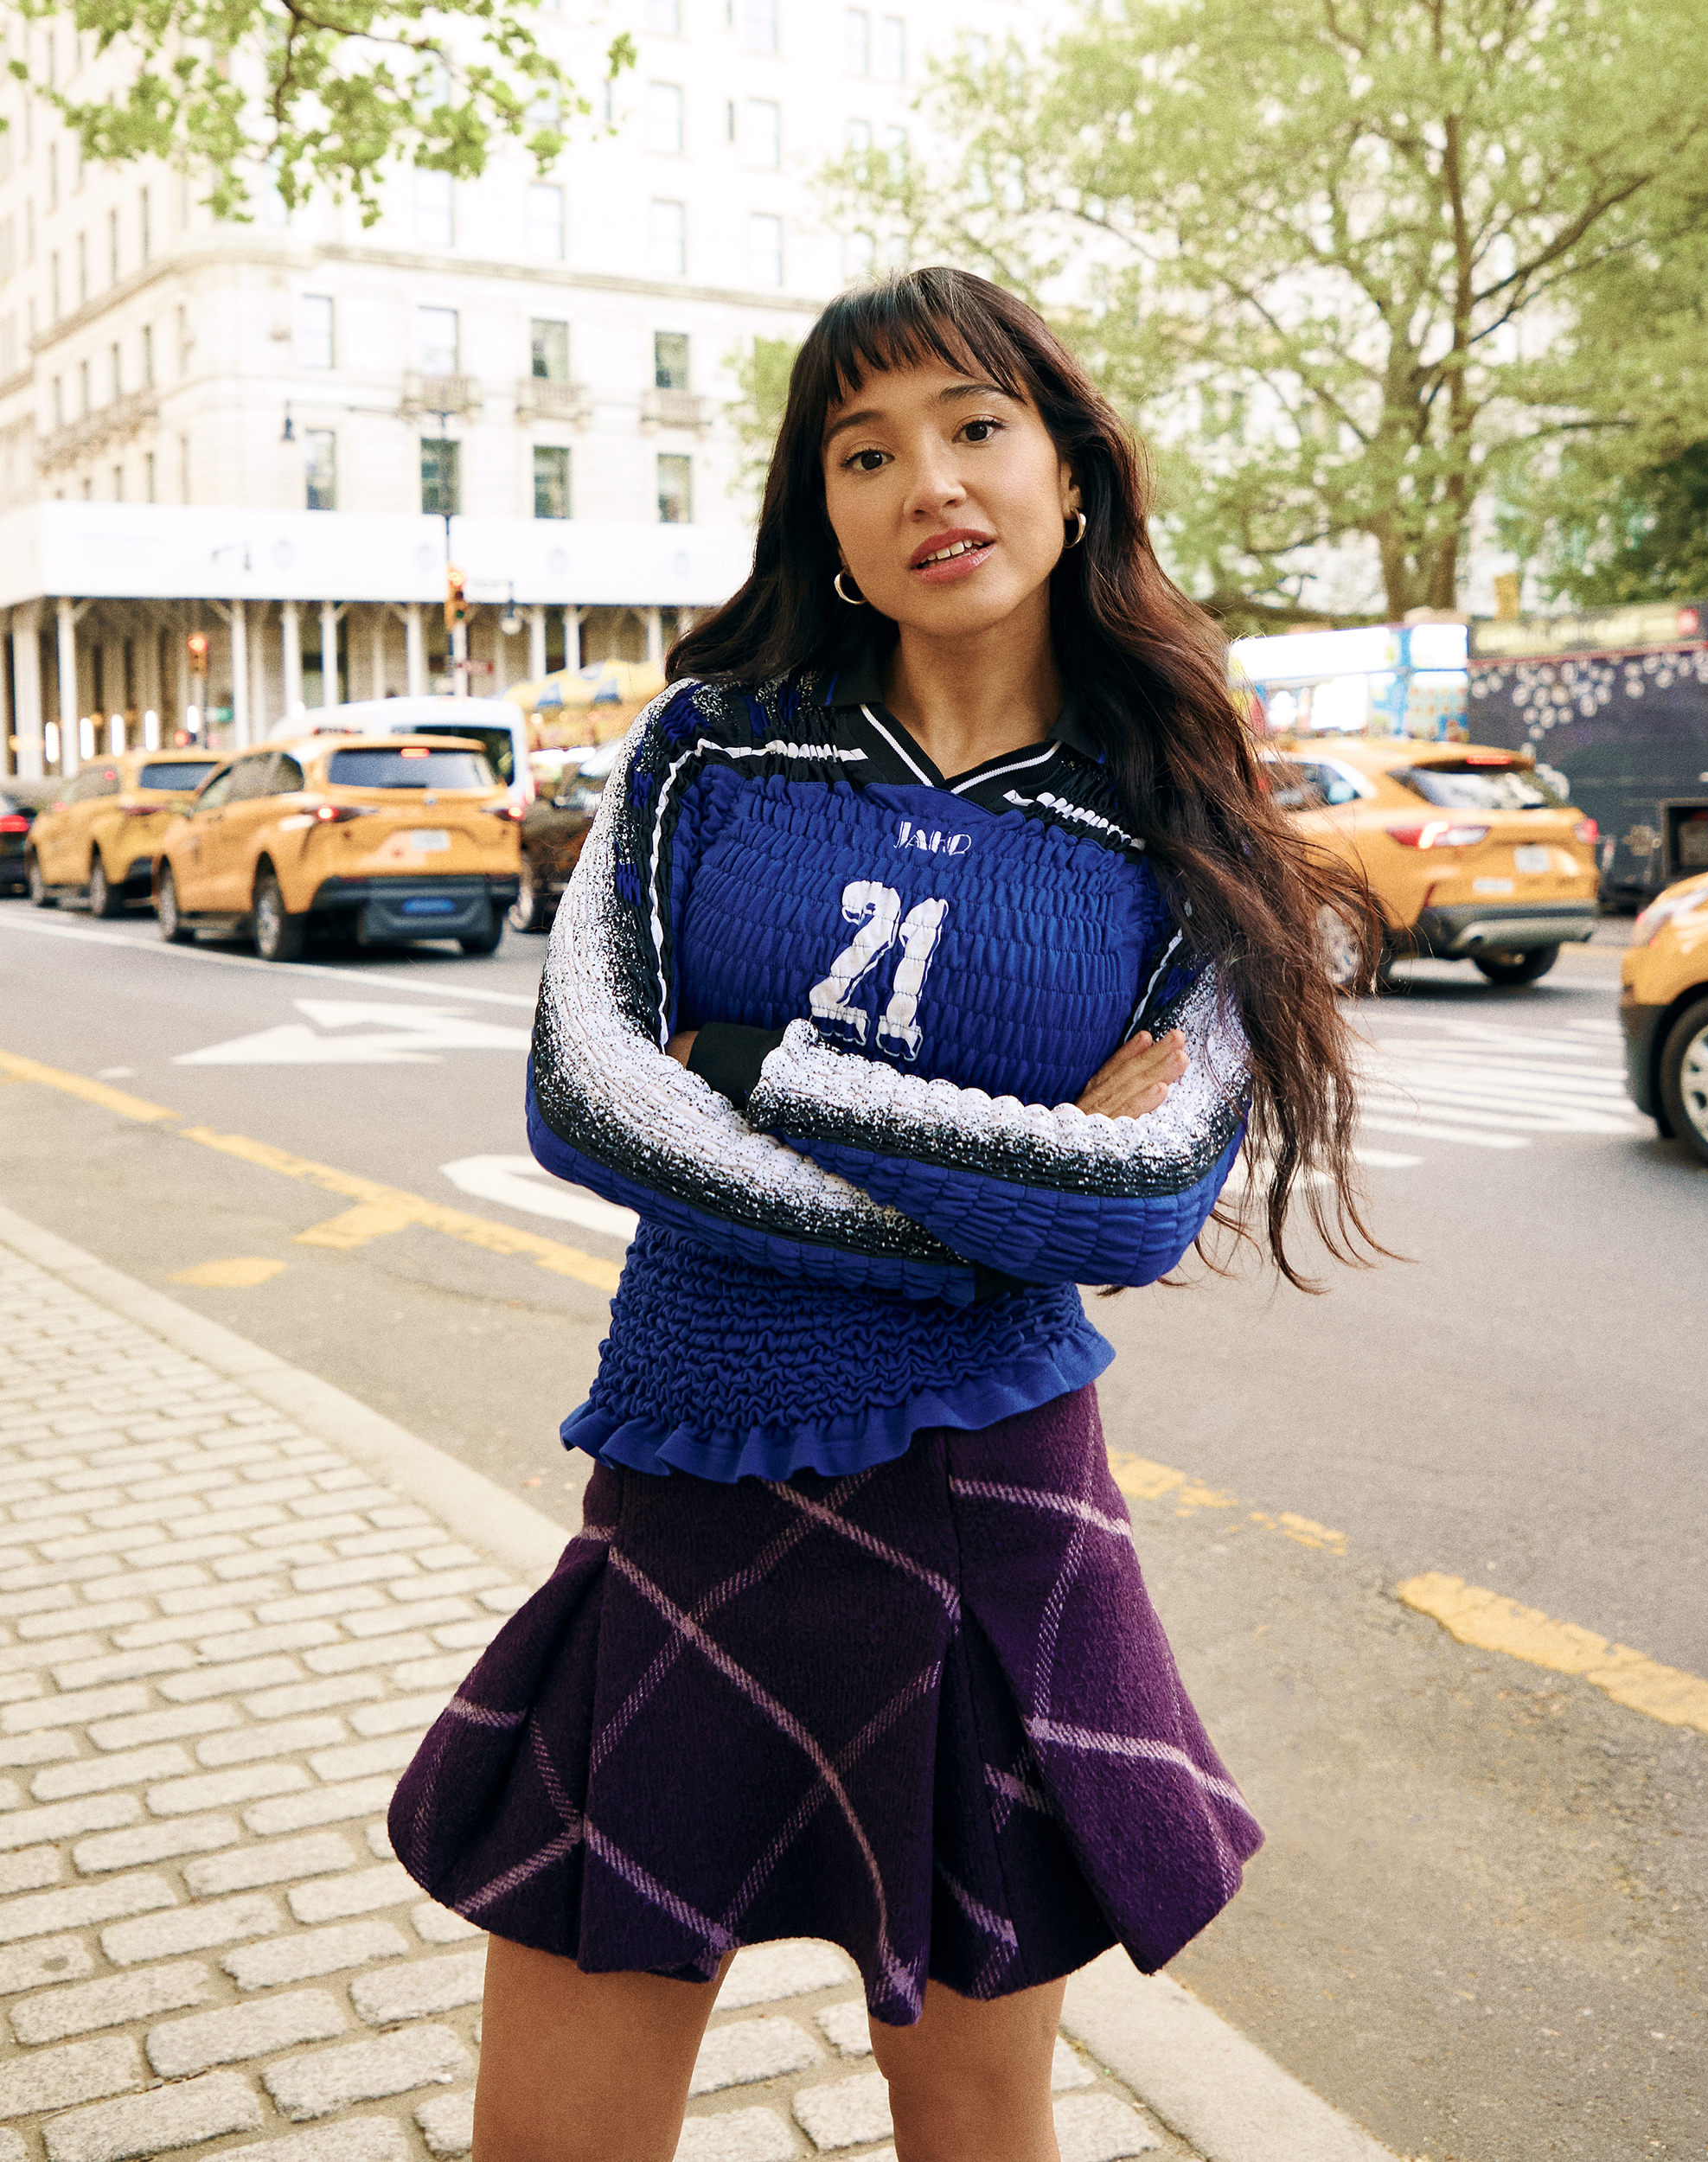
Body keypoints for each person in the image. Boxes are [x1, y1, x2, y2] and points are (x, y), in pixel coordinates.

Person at [390, 266, 1376, 2162]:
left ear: (1070, 471)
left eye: (973, 423)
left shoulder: (1182, 817)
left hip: (991, 1508)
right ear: (819, 510)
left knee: (971, 2129)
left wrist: (755, 1063)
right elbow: (586, 1098)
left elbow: (1141, 1192)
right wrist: (996, 1184)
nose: (927, 476)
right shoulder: (705, 747)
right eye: (866, 445)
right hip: (689, 1472)